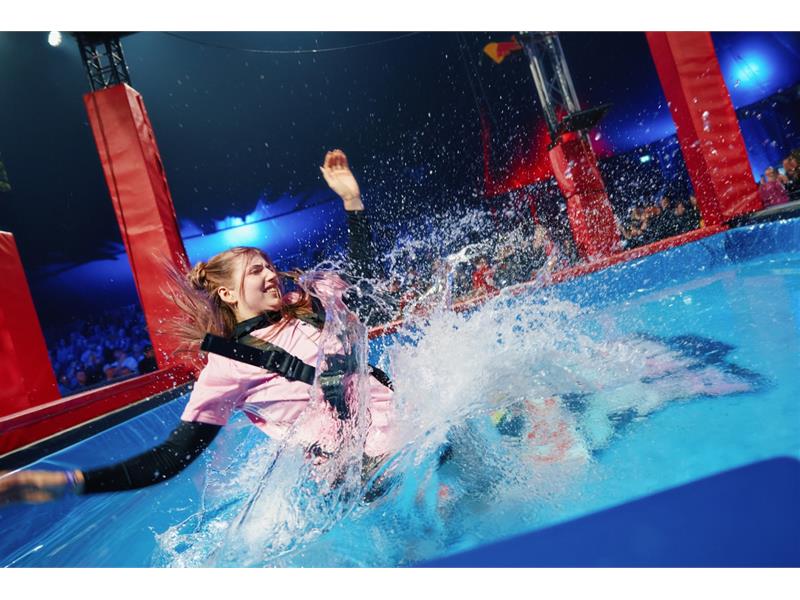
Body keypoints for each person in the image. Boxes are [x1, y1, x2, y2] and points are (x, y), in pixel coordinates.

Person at [0, 149, 397, 506]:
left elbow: (366, 284)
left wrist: (352, 201)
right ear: (227, 293)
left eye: (269, 267)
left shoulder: (308, 305)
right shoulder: (228, 368)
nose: (271, 275)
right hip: (359, 474)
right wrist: (68, 482)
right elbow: (170, 458)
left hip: (404, 428)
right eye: (256, 271)